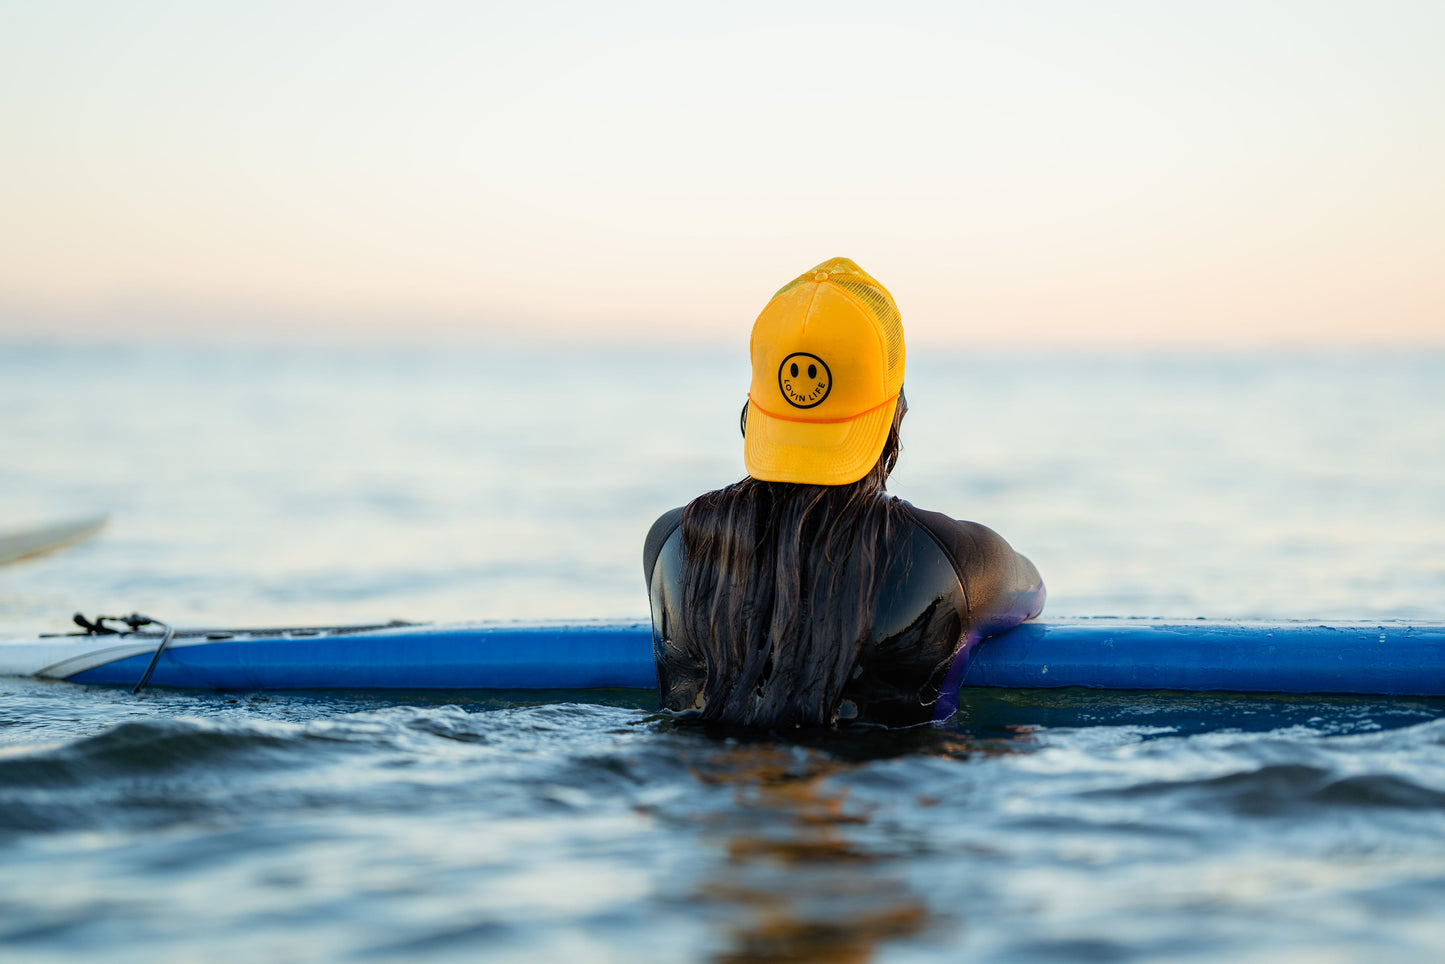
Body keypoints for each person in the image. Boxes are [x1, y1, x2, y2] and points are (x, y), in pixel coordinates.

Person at [643, 258, 1044, 727]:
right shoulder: (955, 561)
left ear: (754, 410)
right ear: (894, 413)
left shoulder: (670, 543)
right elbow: (1031, 591)